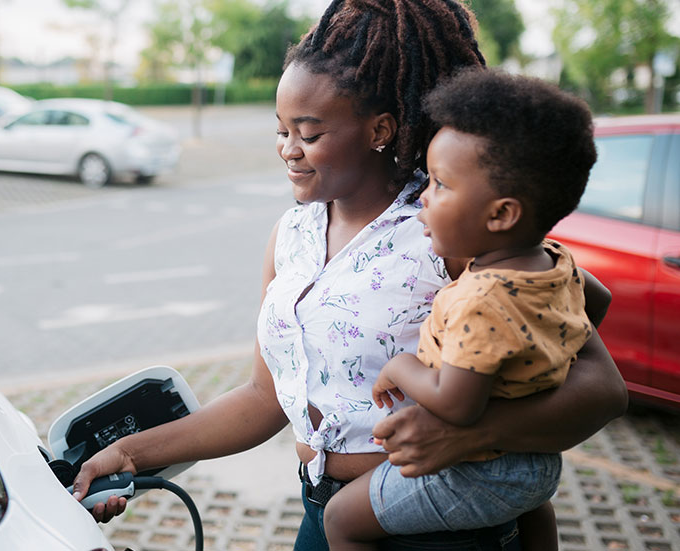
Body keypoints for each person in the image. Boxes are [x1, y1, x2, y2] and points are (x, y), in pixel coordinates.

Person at [71, 1, 629, 549]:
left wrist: (471, 433)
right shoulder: (292, 236)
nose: (289, 150)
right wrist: (131, 454)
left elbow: (600, 387)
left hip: (439, 527)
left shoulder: (449, 228)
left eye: (309, 133)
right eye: (281, 129)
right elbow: (265, 398)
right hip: (324, 513)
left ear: (379, 129)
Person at [321, 68, 600, 551]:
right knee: (531, 513)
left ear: (500, 214)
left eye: (440, 185)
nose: (423, 197)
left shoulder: (483, 298)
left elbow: (456, 404)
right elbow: (599, 303)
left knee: (342, 520)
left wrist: (401, 365)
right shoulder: (554, 262)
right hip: (536, 461)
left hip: (480, 468)